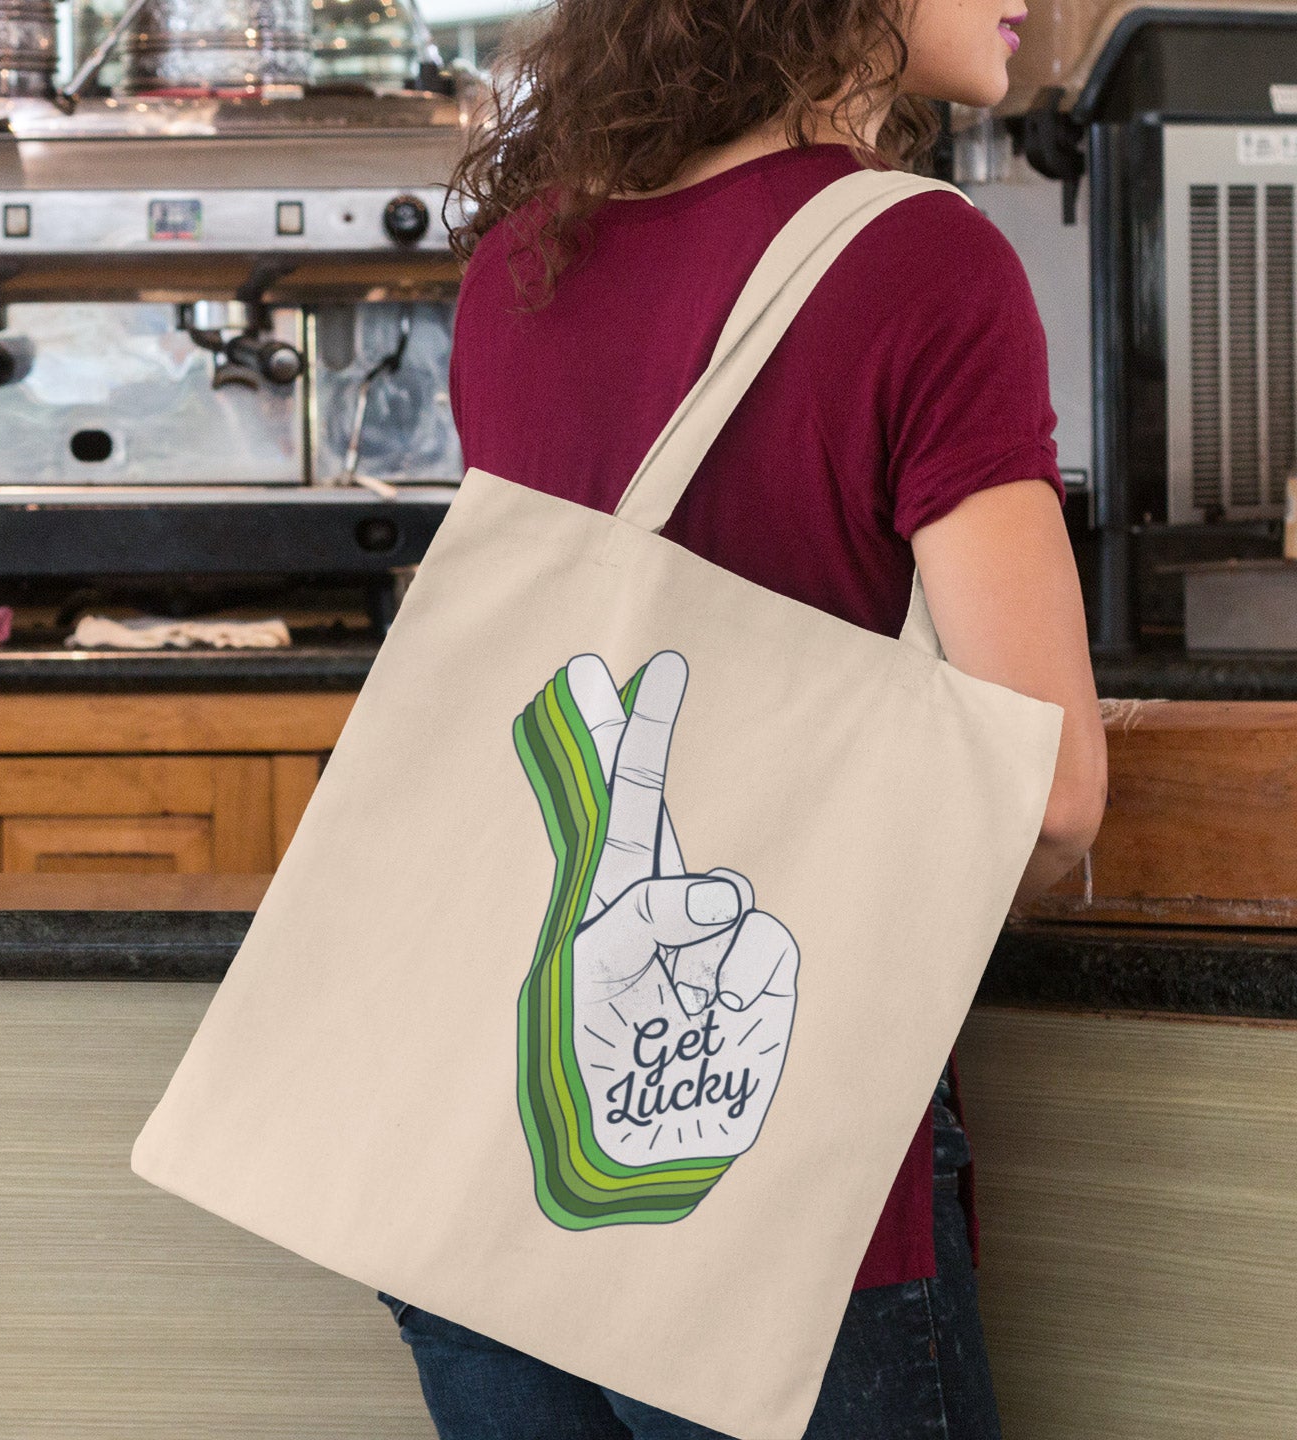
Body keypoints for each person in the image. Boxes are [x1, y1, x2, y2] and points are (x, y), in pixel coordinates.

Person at [375, 0, 1109, 1433]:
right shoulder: (920, 256)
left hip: (490, 1150)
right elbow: (1054, 790)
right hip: (772, 1177)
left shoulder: (522, 264)